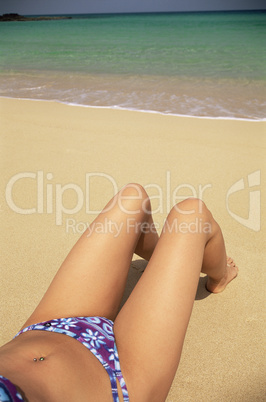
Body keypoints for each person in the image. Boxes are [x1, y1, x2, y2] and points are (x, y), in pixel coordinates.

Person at [0, 183, 238, 402]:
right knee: (192, 214)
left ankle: (166, 259)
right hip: (121, 382)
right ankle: (219, 277)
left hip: (47, 327)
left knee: (132, 198)